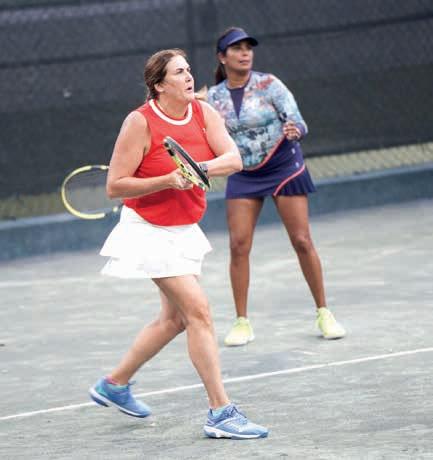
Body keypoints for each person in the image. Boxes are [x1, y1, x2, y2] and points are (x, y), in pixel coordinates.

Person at [88, 48, 268, 439]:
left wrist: (196, 168)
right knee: (199, 312)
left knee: (174, 320)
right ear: (159, 85)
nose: (188, 77)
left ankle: (114, 384)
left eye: (188, 70)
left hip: (184, 228)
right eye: (178, 72)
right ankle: (221, 412)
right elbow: (115, 186)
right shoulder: (139, 122)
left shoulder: (203, 113)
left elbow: (233, 159)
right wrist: (168, 179)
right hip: (147, 230)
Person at [207, 28, 346, 346]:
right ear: (222, 57)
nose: (245, 53)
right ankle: (242, 322)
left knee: (301, 240)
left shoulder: (270, 84)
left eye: (248, 47)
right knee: (238, 245)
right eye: (236, 48)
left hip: (284, 167)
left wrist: (296, 130)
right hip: (243, 173)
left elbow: (298, 120)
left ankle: (324, 313)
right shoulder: (213, 98)